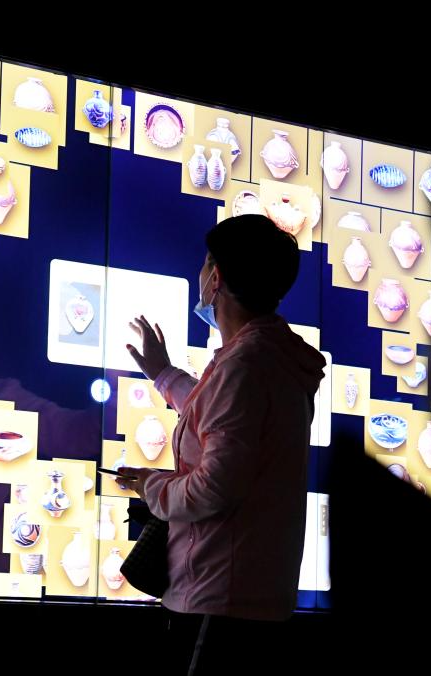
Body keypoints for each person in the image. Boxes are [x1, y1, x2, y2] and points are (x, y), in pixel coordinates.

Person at [119, 214, 327, 673]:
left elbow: (214, 487)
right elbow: (217, 416)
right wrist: (164, 375)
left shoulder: (245, 365)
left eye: (204, 264)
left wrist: (151, 486)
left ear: (216, 278)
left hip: (219, 603)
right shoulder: (267, 357)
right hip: (245, 600)